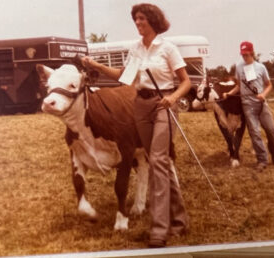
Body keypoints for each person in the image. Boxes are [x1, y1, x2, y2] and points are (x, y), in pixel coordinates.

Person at [81, 3, 191, 248]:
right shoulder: (136, 49)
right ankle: (180, 220)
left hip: (164, 104)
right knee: (158, 161)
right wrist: (96, 66)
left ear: (153, 20)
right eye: (136, 19)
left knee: (158, 161)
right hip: (140, 106)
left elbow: (186, 82)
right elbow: (124, 76)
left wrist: (173, 98)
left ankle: (159, 229)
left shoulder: (168, 48)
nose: (138, 23)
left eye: (142, 19)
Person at [223, 41, 274, 171]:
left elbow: (269, 85)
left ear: (252, 53)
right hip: (247, 105)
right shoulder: (239, 67)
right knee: (254, 131)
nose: (245, 57)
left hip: (261, 103)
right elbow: (238, 86)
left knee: (271, 130)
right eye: (243, 55)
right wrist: (229, 94)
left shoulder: (261, 67)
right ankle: (262, 160)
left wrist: (263, 94)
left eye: (247, 54)